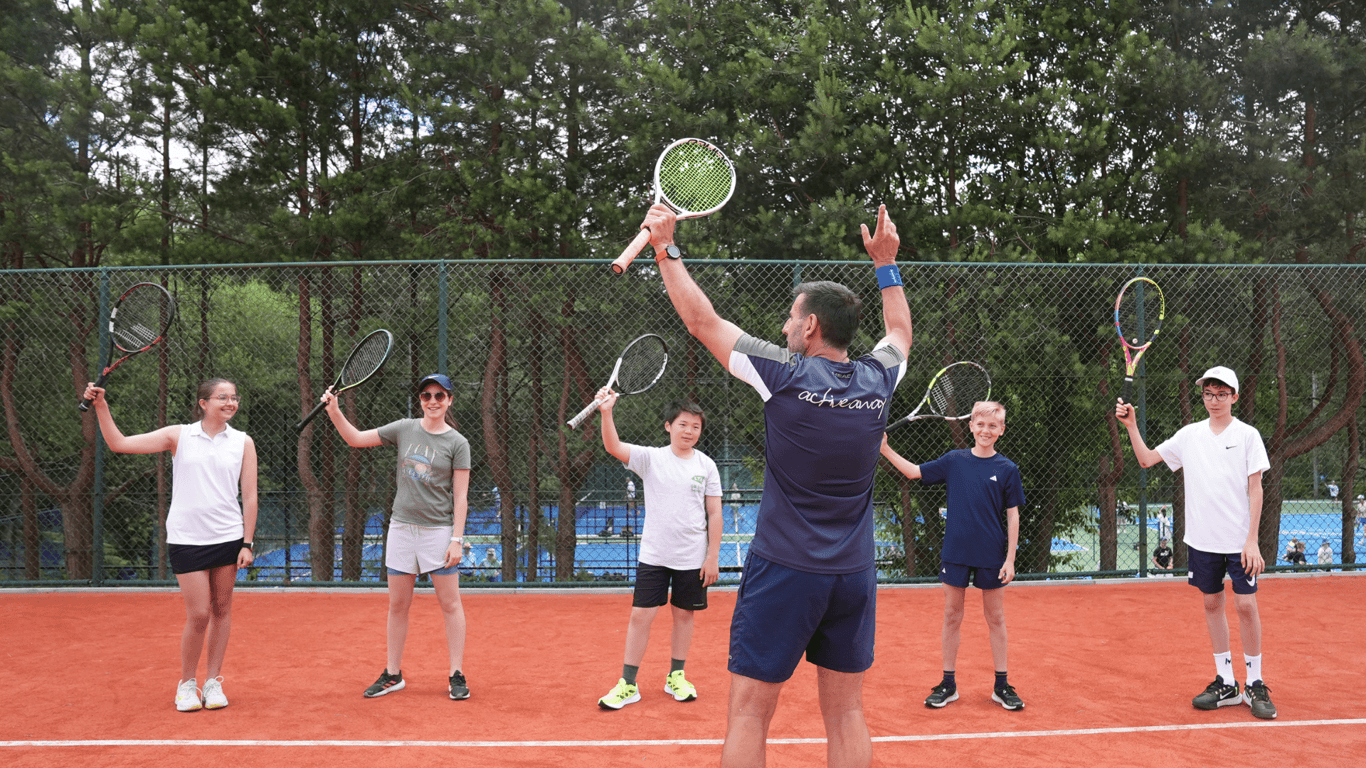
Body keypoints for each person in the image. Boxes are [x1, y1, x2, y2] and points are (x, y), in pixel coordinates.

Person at [640, 201, 912, 768]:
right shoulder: (879, 377)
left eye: (792, 317)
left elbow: (701, 321)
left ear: (810, 326)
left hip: (785, 569)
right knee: (846, 713)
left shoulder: (783, 374)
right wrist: (887, 265)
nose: (785, 325)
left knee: (747, 713)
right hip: (853, 573)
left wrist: (666, 248)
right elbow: (900, 332)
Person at [83, 378, 257, 712]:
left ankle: (213, 682)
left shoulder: (243, 442)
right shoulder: (178, 435)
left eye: (234, 397)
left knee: (222, 609)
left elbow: (249, 495)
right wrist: (101, 406)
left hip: (228, 537)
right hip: (187, 538)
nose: (230, 402)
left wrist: (247, 542)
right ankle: (187, 684)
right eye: (222, 397)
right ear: (203, 403)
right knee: (200, 613)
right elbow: (119, 443)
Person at [1116, 365, 1276, 720]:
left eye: (1221, 394)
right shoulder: (1189, 435)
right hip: (1202, 541)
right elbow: (1146, 460)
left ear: (1234, 396)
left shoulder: (1248, 435)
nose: (1214, 400)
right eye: (1208, 393)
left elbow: (1256, 489)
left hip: (1238, 541)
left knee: (1246, 607)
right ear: (1202, 396)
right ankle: (1226, 682)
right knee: (1212, 604)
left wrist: (1252, 541)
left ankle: (1255, 682)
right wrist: (1131, 427)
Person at [321, 372, 473, 701]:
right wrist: (334, 411)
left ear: (449, 400)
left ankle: (456, 673)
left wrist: (456, 538)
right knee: (398, 605)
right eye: (426, 396)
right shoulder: (404, 428)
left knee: (450, 604)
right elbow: (356, 439)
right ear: (420, 400)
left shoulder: (457, 443)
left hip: (438, 532)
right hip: (402, 529)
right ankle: (393, 673)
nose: (433, 401)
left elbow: (460, 497)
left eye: (439, 396)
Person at [879, 401, 1027, 712]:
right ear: (972, 426)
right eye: (981, 424)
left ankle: (1002, 685)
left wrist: (1010, 559)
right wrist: (884, 448)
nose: (986, 430)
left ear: (1001, 430)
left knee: (996, 618)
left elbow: (1013, 516)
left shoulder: (1007, 469)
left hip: (991, 553)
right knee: (951, 615)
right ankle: (948, 683)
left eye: (992, 426)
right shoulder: (954, 460)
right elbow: (914, 472)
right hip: (956, 551)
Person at [595, 394, 722, 711]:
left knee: (684, 615)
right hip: (653, 555)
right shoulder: (651, 458)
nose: (689, 431)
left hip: (691, 557)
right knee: (641, 616)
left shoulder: (706, 465)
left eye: (695, 426)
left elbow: (715, 514)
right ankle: (628, 683)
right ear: (668, 427)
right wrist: (606, 413)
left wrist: (712, 557)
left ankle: (676, 676)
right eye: (683, 424)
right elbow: (613, 446)